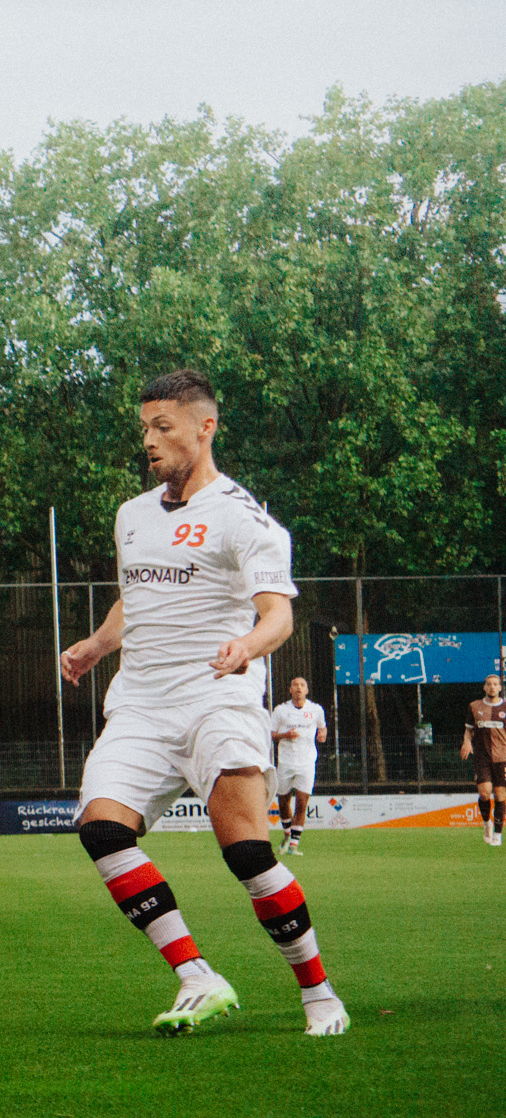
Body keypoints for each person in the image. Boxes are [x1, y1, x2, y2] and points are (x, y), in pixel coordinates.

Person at [59, 370, 346, 1037]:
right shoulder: (131, 515)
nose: (150, 442)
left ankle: (320, 994)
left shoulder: (245, 519)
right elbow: (139, 594)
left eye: (163, 428)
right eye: (145, 429)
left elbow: (278, 614)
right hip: (141, 701)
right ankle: (196, 973)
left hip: (217, 696)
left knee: (246, 851)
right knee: (102, 830)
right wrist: (98, 645)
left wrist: (248, 645)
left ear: (204, 427)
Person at [269, 677, 327, 855]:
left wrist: (322, 735)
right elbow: (270, 734)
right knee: (284, 801)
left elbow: (322, 727)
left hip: (307, 762)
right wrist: (285, 735)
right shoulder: (280, 710)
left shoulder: (316, 709)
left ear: (307, 690)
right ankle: (287, 835)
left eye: (302, 685)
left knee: (302, 803)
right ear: (290, 690)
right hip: (286, 762)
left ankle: (294, 845)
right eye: (295, 685)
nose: (299, 688)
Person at [462, 672, 506, 846]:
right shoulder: (474, 706)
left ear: (500, 687)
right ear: (484, 687)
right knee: (485, 793)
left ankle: (497, 834)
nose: (492, 687)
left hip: (503, 757)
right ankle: (486, 822)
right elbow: (468, 730)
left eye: (495, 684)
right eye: (489, 684)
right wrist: (466, 742)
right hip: (482, 756)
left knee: (501, 795)